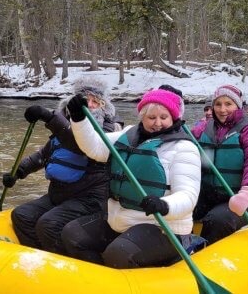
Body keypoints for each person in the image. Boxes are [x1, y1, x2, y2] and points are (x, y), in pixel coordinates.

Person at [60, 88, 201, 269]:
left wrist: (164, 205)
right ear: (142, 117)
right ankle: (101, 282)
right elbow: (95, 147)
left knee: (120, 253)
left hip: (164, 227)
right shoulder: (127, 134)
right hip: (122, 220)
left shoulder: (184, 148)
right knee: (73, 235)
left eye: (164, 117)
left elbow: (188, 196)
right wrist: (79, 119)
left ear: (173, 117)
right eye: (151, 118)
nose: (158, 123)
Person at [3, 77, 118, 255]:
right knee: (22, 215)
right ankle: (39, 257)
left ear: (103, 105)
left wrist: (49, 117)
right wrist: (19, 171)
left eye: (96, 101)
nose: (91, 105)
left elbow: (82, 146)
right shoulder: (65, 124)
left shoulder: (109, 129)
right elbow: (43, 155)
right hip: (59, 193)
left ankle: (64, 264)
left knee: (48, 224)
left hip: (89, 199)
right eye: (85, 100)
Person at [189, 84, 248, 244]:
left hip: (241, 198)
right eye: (218, 104)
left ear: (238, 106)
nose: (222, 109)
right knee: (182, 210)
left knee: (216, 220)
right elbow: (184, 140)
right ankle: (182, 250)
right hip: (207, 195)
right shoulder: (204, 127)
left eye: (228, 104)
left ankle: (207, 256)